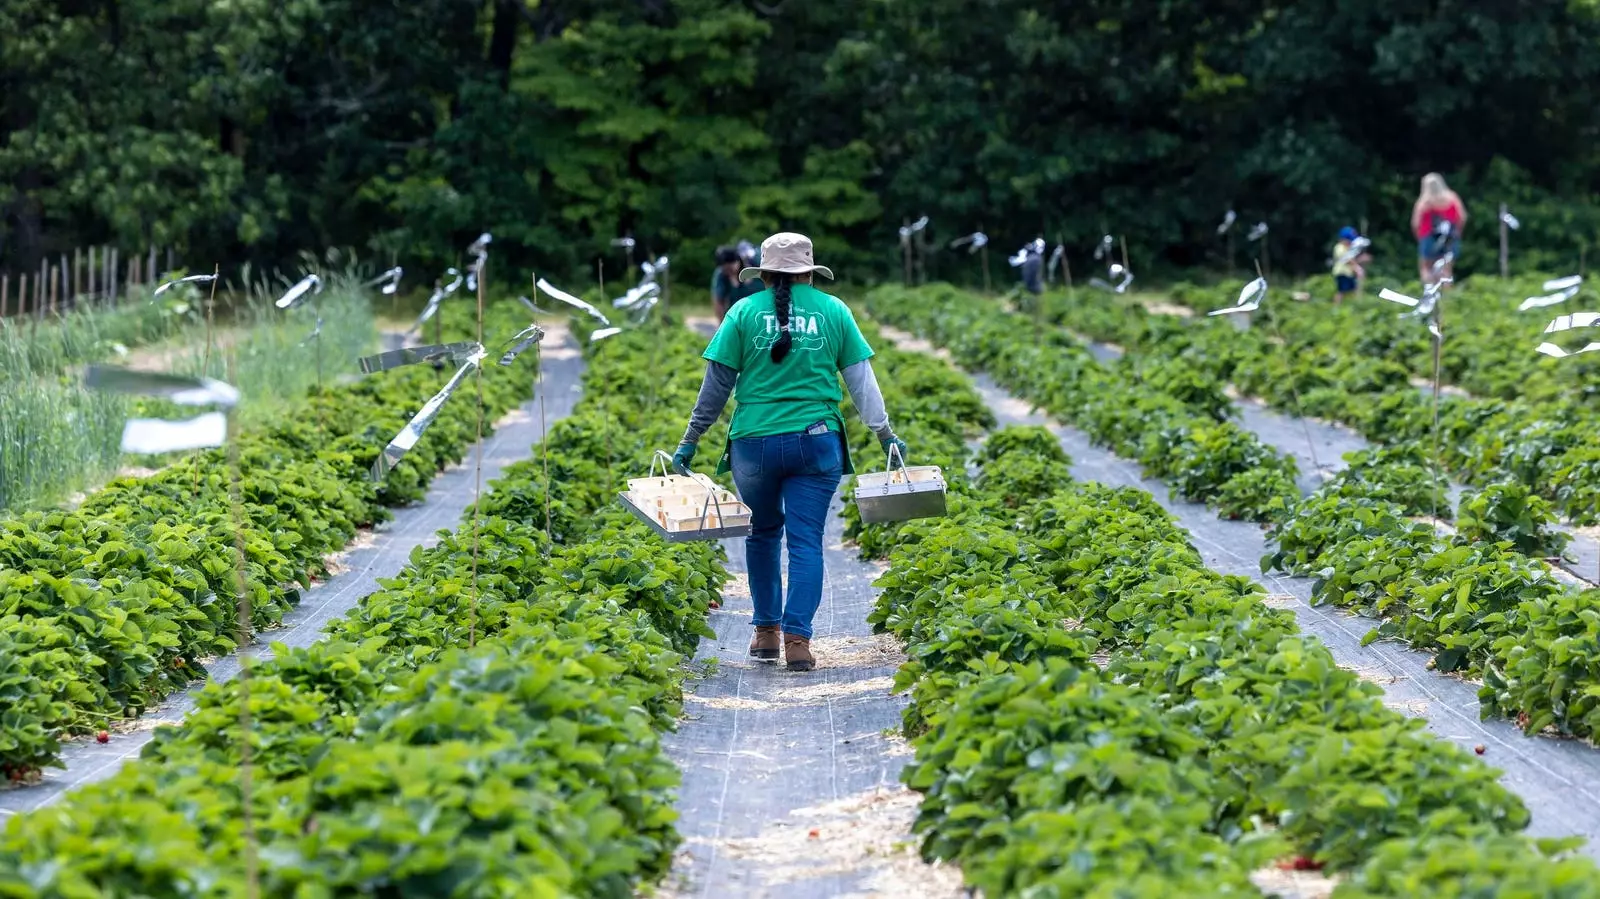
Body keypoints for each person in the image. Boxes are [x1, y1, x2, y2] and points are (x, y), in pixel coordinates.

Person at [673, 232, 906, 672]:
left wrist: (690, 438)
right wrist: (886, 435)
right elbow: (861, 383)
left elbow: (716, 385)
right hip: (815, 441)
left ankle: (765, 634)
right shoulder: (834, 310)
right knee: (805, 542)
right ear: (809, 272)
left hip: (753, 443)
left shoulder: (742, 311)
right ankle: (798, 642)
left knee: (761, 535)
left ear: (763, 274)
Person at [1411, 173, 1466, 287]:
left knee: (1426, 269)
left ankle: (1429, 296)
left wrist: (1420, 239)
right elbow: (1462, 217)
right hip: (1449, 238)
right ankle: (1447, 298)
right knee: (1446, 270)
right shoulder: (1452, 198)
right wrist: (1458, 233)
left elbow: (1416, 224)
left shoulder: (1424, 202)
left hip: (1428, 238)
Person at [710, 243, 764, 323]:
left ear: (738, 261)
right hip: (736, 318)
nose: (728, 272)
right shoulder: (721, 275)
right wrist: (722, 324)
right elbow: (718, 301)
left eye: (730, 268)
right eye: (725, 269)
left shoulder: (756, 269)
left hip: (759, 315)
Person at [1330, 226, 1370, 305]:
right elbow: (1347, 260)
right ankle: (1335, 307)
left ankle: (1354, 306)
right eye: (1348, 240)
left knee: (1354, 290)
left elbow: (1353, 260)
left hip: (1348, 273)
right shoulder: (1339, 248)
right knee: (1341, 291)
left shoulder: (1349, 249)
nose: (1349, 242)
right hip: (1342, 272)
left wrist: (1362, 259)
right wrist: (1357, 268)